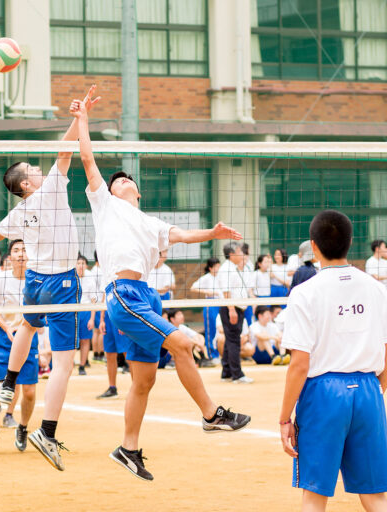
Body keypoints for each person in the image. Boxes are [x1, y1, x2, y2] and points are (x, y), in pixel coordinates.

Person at [73, 95, 250, 481]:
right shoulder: (104, 205)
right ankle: (211, 415)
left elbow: (184, 236)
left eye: (126, 180)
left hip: (146, 295)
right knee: (184, 343)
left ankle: (128, 448)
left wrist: (213, 233)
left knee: (144, 380)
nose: (119, 181)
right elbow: (87, 160)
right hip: (123, 293)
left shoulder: (151, 223)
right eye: (115, 179)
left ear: (137, 192)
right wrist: (84, 119)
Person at [0, 85, 101, 471]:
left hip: (36, 281)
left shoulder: (19, 212)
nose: (40, 171)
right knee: (63, 364)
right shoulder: (50, 192)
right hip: (60, 281)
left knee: (27, 324)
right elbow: (65, 151)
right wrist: (80, 118)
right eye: (33, 171)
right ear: (26, 184)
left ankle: (9, 380)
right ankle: (48, 430)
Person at [279, 210, 387, 512]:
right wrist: (373, 390)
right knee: (375, 498)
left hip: (324, 393)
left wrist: (284, 418)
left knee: (314, 498)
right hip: (369, 391)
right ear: (350, 243)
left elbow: (299, 364)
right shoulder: (375, 287)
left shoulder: (304, 293)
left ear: (313, 247)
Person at [0, 239, 41, 451]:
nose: (21, 253)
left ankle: (23, 428)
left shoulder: (37, 280)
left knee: (30, 392)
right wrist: (6, 327)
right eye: (16, 250)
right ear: (10, 257)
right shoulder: (0, 279)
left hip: (28, 337)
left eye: (25, 249)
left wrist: (31, 327)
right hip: (3, 337)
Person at [217, 242, 255, 383]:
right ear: (232, 254)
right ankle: (237, 375)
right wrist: (232, 309)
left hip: (236, 308)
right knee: (234, 342)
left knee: (230, 341)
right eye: (239, 251)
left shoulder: (234, 268)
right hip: (231, 308)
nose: (242, 254)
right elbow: (227, 292)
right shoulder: (227, 269)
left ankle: (226, 373)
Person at [189, 257, 222, 362]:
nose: (218, 268)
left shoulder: (221, 276)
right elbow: (193, 288)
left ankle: (219, 353)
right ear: (211, 268)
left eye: (219, 266)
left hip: (222, 303)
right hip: (210, 304)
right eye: (216, 266)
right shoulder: (206, 278)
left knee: (220, 330)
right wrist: (208, 292)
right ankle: (211, 355)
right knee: (210, 330)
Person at [76, 253, 97, 376]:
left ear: (86, 266)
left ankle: (82, 365)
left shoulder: (90, 277)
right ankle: (69, 363)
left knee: (85, 340)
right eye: (78, 263)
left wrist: (92, 319)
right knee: (72, 341)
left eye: (83, 263)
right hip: (72, 311)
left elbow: (94, 300)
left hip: (86, 311)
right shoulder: (71, 276)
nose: (80, 266)